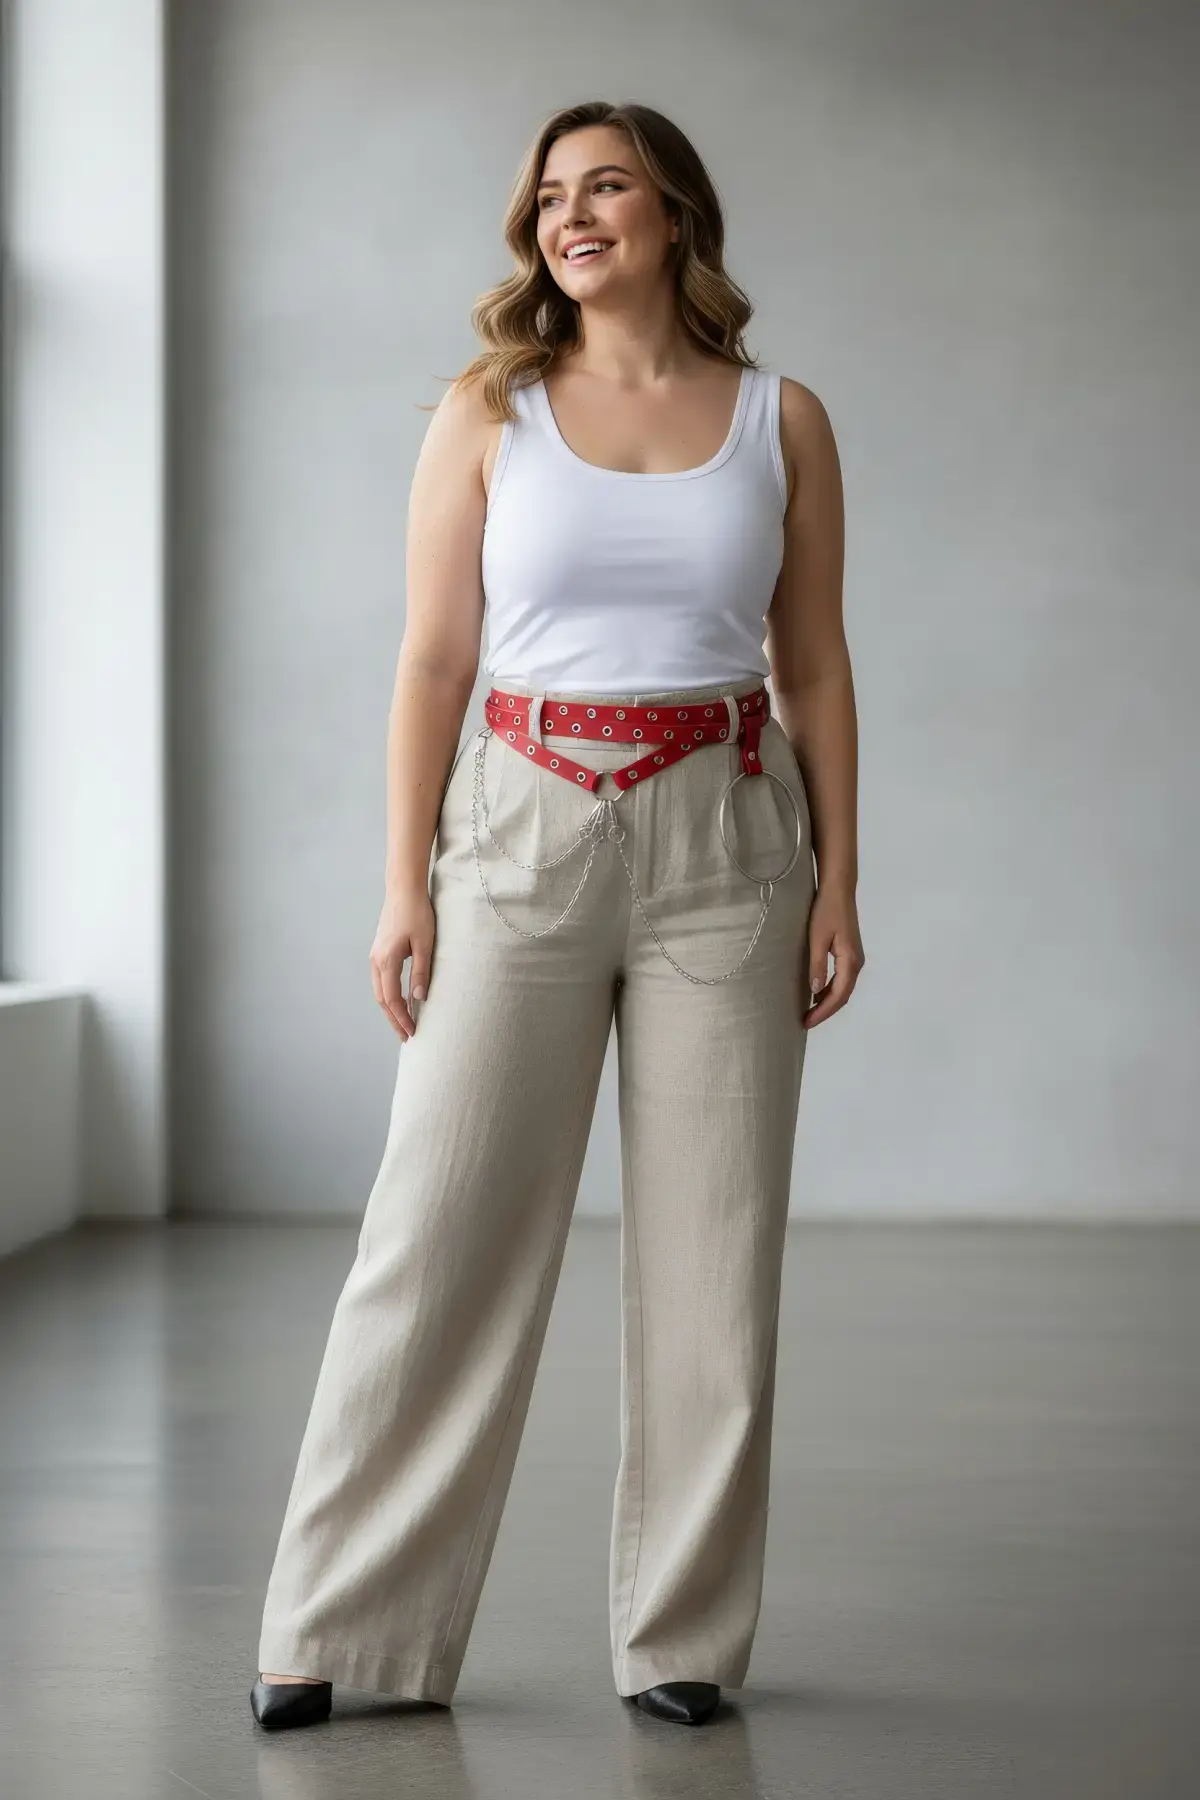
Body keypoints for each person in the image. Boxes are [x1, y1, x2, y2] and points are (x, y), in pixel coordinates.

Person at [251, 98, 864, 1734]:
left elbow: (813, 666)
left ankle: (683, 1639)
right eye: (547, 198)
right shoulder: (490, 410)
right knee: (435, 1232)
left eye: (605, 188)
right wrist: (403, 881)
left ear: (675, 214)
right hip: (516, 826)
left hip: (730, 838)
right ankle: (344, 1632)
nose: (569, 217)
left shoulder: (783, 420)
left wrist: (842, 882)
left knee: (715, 1254)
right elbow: (432, 660)